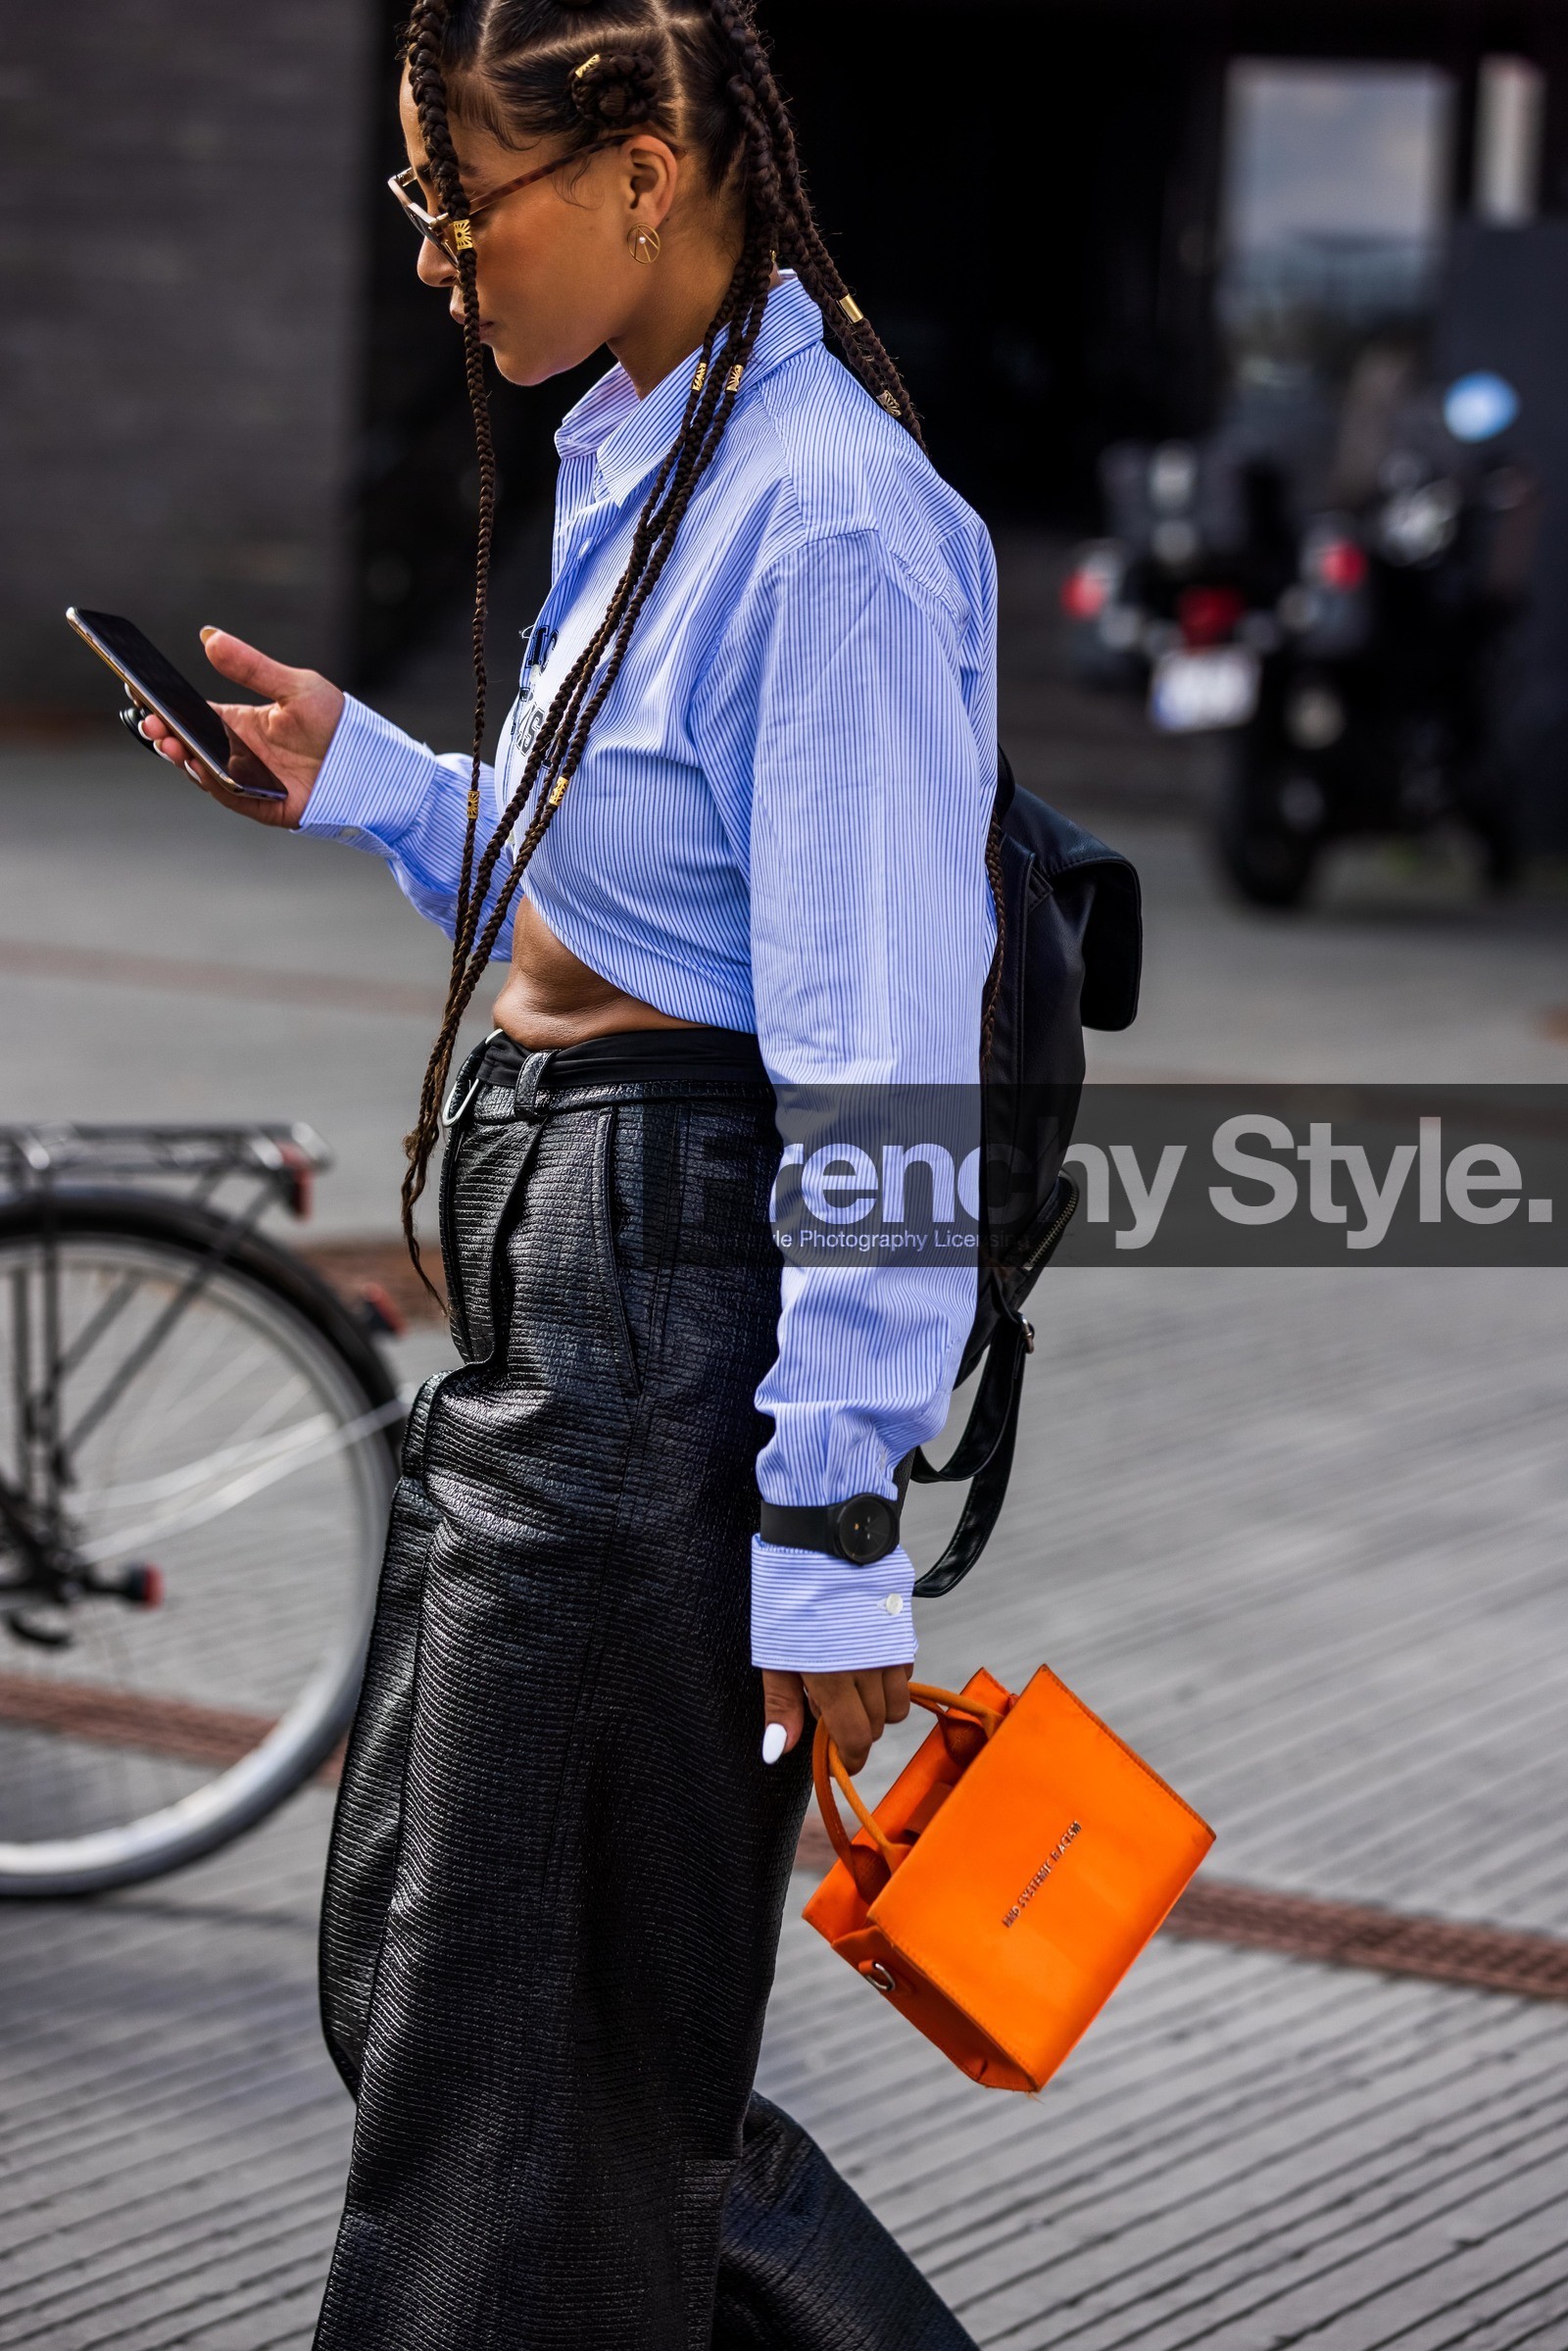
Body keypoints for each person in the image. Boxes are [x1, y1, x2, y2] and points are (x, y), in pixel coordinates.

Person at [142, 2, 996, 2341]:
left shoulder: (821, 521)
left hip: (660, 1307)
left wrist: (828, 1530)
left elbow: (882, 1063)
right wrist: (384, 788)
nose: (433, 258)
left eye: (459, 201)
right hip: (560, 1282)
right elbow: (632, 913)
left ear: (639, 172)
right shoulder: (655, 446)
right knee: (448, 2004)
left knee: (517, 2107)